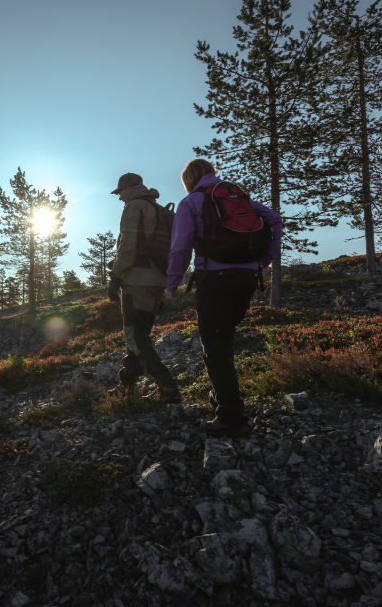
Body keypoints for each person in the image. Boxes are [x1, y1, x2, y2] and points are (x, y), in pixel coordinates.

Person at [165, 159, 282, 436]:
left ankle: (230, 416)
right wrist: (263, 261)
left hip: (214, 279)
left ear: (188, 179)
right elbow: (275, 219)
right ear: (211, 173)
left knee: (215, 344)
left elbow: (180, 247)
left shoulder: (191, 201)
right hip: (247, 278)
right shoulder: (235, 195)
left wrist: (171, 284)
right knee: (224, 338)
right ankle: (222, 397)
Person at [107, 172, 181, 403]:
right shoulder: (158, 209)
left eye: (120, 192)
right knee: (139, 336)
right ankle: (126, 386)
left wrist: (116, 275)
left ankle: (167, 387)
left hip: (136, 281)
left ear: (129, 188)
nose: (119, 197)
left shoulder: (134, 206)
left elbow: (128, 246)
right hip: (157, 282)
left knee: (135, 337)